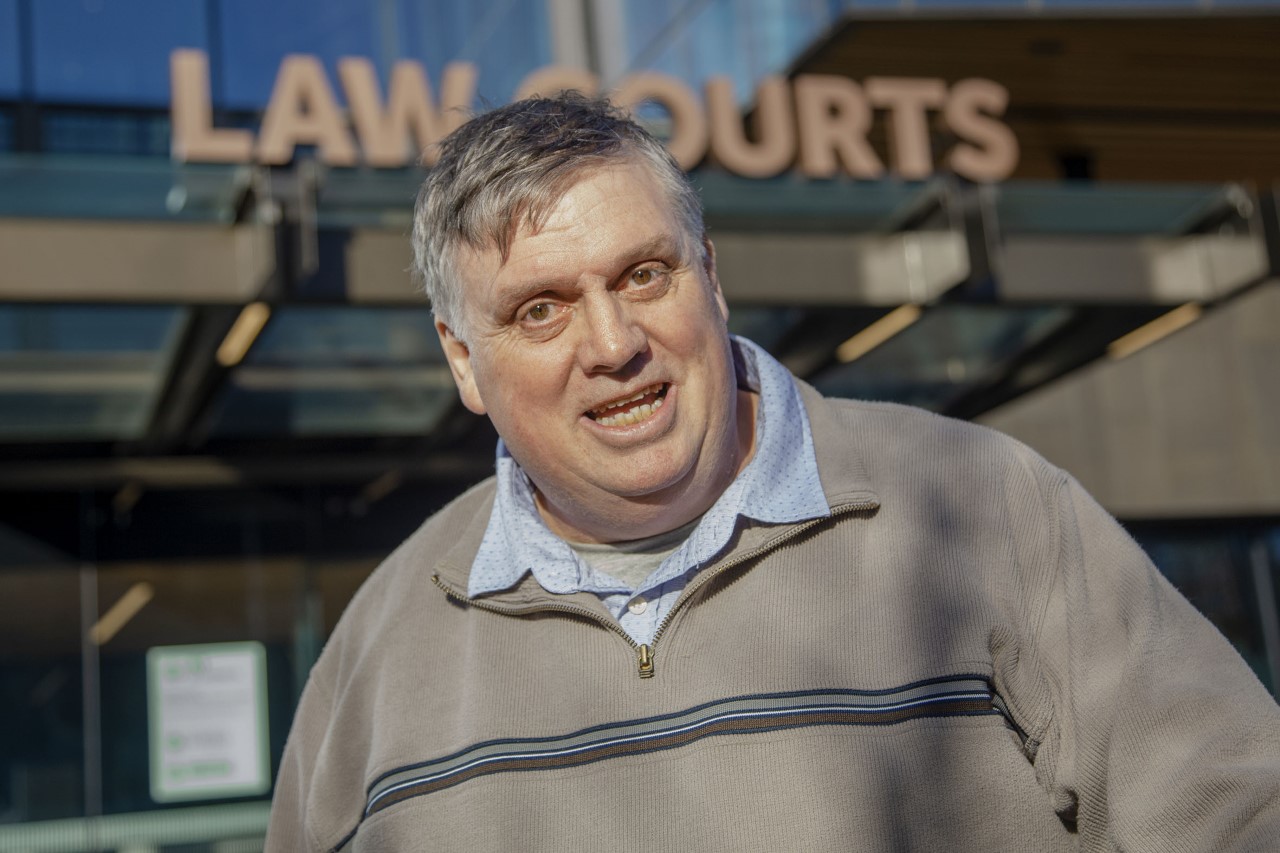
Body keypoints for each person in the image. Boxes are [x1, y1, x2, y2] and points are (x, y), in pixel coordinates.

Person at [265, 94, 1280, 852]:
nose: (612, 342)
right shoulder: (376, 651)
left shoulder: (983, 506)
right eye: (540, 309)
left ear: (709, 276)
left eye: (643, 274)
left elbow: (1240, 813)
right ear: (461, 361)